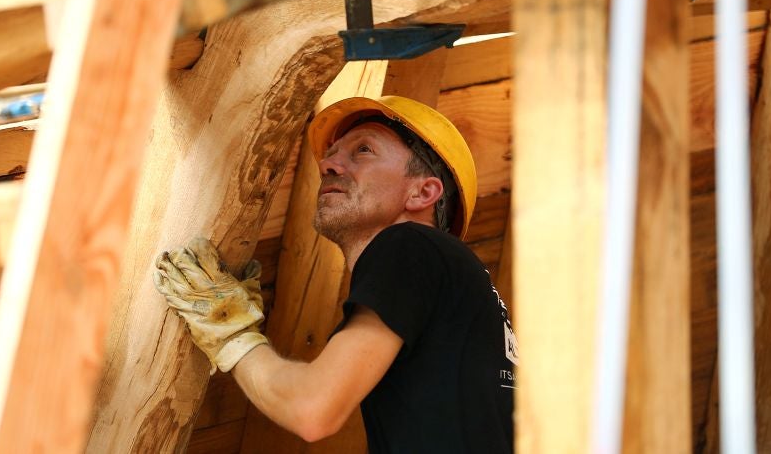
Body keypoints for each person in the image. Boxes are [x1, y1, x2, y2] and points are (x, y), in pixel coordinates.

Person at [154, 95, 518, 453]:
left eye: (363, 150)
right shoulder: (451, 292)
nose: (328, 164)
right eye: (332, 153)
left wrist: (230, 331)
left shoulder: (410, 244)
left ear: (423, 192)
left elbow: (312, 409)